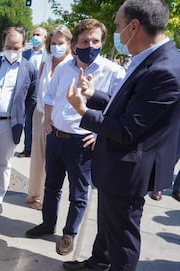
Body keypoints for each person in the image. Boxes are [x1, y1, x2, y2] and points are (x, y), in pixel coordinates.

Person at [64, 1, 180, 271]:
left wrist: (83, 111)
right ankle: (99, 262)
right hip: (118, 164)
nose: (115, 32)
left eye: (117, 26)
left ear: (135, 27)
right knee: (108, 223)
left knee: (123, 234)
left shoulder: (165, 69)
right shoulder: (149, 59)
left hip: (131, 167)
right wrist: (95, 96)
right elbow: (126, 105)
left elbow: (128, 129)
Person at [25, 19, 125, 257]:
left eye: (95, 41)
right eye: (85, 41)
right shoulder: (63, 68)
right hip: (56, 138)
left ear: (102, 42)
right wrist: (49, 119)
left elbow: (119, 111)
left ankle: (69, 234)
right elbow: (49, 97)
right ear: (76, 43)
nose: (90, 45)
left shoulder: (113, 72)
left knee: (78, 194)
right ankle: (48, 224)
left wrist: (100, 135)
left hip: (82, 143)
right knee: (51, 187)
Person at [0, 26, 38, 215]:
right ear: (3, 44)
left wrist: (18, 115)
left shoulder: (29, 69)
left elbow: (32, 98)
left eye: (16, 47)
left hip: (9, 125)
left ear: (23, 46)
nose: (12, 51)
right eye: (8, 46)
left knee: (5, 163)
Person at [25, 25, 73, 210]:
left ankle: (46, 199)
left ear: (69, 43)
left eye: (60, 43)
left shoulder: (71, 65)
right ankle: (34, 192)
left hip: (57, 118)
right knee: (37, 154)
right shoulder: (46, 61)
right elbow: (40, 88)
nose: (56, 46)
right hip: (40, 113)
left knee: (51, 160)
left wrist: (53, 117)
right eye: (53, 43)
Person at [18, 27, 48, 158]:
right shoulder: (25, 54)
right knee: (28, 123)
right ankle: (28, 148)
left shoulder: (48, 55)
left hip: (44, 95)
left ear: (45, 38)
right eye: (34, 34)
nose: (35, 37)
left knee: (43, 124)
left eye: (39, 35)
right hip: (28, 94)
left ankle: (43, 151)